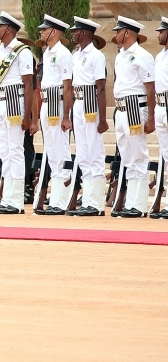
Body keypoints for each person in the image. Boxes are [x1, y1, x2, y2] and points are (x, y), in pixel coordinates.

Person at [0, 11, 35, 215]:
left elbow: (29, 83)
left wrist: (29, 116)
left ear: (9, 29)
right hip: (0, 102)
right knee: (4, 151)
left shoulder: (22, 51)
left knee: (15, 150)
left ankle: (16, 201)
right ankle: (7, 197)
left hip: (16, 101)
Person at [109, 17, 156, 218]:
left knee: (138, 155)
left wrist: (151, 118)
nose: (115, 34)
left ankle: (139, 205)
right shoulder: (120, 56)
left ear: (127, 32)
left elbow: (150, 88)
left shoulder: (142, 55)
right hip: (121, 109)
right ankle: (131, 203)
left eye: (118, 31)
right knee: (128, 157)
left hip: (136, 108)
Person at [30, 16, 74, 215]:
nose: (41, 32)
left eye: (44, 29)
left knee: (61, 149)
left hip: (58, 102)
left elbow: (67, 86)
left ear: (54, 31)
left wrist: (66, 115)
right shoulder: (47, 53)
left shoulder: (63, 53)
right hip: (47, 102)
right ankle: (55, 199)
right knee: (52, 150)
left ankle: (62, 200)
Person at [66, 18, 108, 217]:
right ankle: (88, 200)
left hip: (91, 101)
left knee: (94, 152)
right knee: (82, 153)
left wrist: (103, 119)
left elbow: (100, 87)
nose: (72, 34)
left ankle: (97, 203)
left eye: (75, 31)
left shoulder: (96, 55)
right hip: (79, 101)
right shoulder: (76, 55)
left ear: (84, 33)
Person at [152, 17, 168, 219]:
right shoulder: (159, 56)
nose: (158, 35)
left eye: (161, 31)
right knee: (165, 156)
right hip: (160, 106)